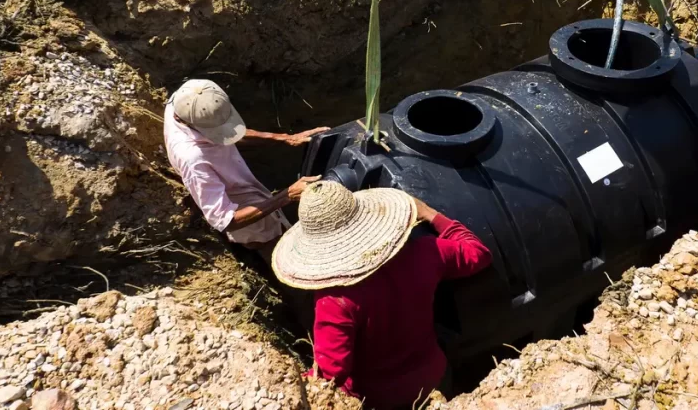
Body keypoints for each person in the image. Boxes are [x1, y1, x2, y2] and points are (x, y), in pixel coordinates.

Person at [272, 181, 492, 409]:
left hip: (377, 400)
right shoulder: (426, 252)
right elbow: (479, 253)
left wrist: (293, 384)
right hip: (434, 380)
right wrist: (428, 213)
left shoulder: (334, 300)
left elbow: (331, 374)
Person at [163, 79, 328, 255]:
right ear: (183, 120)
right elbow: (225, 220)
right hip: (239, 206)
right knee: (271, 245)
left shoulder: (188, 96)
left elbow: (229, 132)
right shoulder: (193, 159)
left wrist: (284, 138)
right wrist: (287, 196)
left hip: (238, 177)